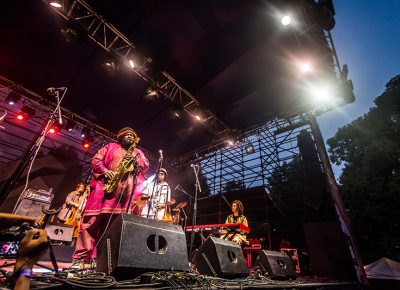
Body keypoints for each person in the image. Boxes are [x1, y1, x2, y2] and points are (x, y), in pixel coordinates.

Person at [72, 127, 149, 263]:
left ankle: (102, 260)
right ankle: (80, 258)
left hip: (124, 196)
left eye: (132, 135)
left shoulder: (137, 152)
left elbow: (145, 165)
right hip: (104, 192)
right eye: (127, 135)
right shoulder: (110, 146)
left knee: (115, 228)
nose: (130, 136)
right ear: (120, 137)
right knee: (92, 223)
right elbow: (96, 161)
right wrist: (105, 171)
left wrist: (137, 160)